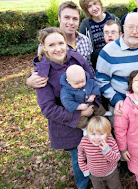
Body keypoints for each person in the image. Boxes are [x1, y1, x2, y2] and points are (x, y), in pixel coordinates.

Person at [33, 27, 94, 189]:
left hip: (90, 110)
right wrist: (78, 116)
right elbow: (47, 108)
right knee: (79, 155)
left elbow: (91, 81)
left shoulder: (76, 59)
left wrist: (93, 102)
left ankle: (98, 176)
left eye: (61, 43)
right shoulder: (42, 72)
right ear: (43, 47)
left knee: (95, 149)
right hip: (67, 120)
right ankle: (83, 185)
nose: (58, 48)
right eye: (51, 45)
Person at [27, 1, 93, 88]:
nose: (71, 22)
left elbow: (89, 68)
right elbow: (40, 72)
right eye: (66, 17)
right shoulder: (47, 45)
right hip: (59, 93)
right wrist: (29, 82)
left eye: (75, 19)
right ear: (59, 18)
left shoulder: (85, 40)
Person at [95, 12, 138, 116]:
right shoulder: (108, 51)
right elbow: (101, 80)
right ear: (123, 28)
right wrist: (116, 99)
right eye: (130, 27)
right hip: (120, 107)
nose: (134, 31)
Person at [78, 116, 122, 189]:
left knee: (115, 187)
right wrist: (84, 169)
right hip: (94, 174)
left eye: (101, 134)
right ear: (88, 133)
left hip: (111, 173)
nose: (97, 137)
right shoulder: (84, 142)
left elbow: (116, 158)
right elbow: (80, 155)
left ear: (107, 133)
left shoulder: (110, 141)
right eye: (93, 134)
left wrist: (107, 150)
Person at [79, 0, 120, 70]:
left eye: (95, 3)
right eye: (89, 6)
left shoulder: (114, 19)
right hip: (98, 64)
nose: (94, 8)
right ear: (86, 10)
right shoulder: (85, 26)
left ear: (100, 3)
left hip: (117, 61)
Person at [60, 65, 106, 134]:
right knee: (80, 120)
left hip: (90, 102)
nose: (80, 85)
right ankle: (85, 128)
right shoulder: (66, 91)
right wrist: (78, 106)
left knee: (98, 107)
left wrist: (93, 95)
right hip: (78, 108)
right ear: (68, 81)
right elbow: (67, 102)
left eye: (82, 81)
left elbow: (95, 86)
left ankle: (103, 115)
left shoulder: (89, 82)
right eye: (76, 83)